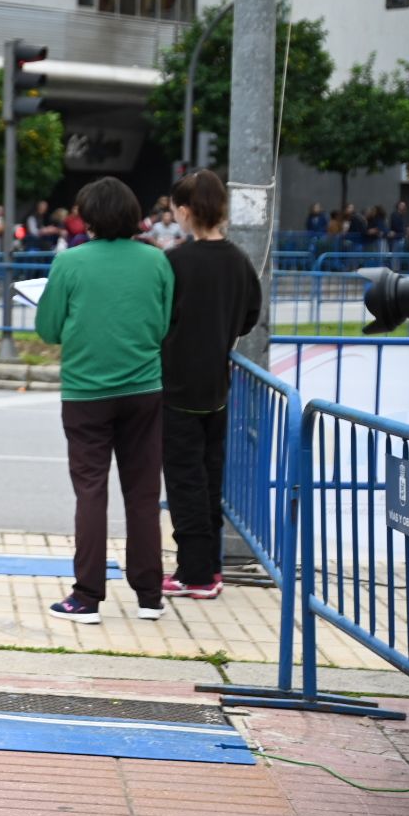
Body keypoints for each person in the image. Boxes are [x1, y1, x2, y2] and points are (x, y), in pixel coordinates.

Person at [34, 176, 173, 625]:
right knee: (143, 491)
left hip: (86, 392)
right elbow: (165, 322)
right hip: (144, 389)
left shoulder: (70, 263)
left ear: (88, 217)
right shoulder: (157, 261)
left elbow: (49, 329)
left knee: (91, 490)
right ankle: (150, 595)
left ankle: (87, 596)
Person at [160, 170, 260, 600]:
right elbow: (249, 317)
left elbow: (159, 318)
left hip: (178, 387)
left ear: (184, 211)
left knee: (184, 481)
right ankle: (210, 567)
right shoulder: (239, 260)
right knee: (209, 478)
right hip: (217, 389)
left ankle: (195, 574)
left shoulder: (176, 261)